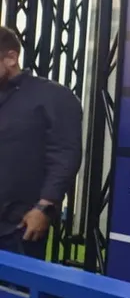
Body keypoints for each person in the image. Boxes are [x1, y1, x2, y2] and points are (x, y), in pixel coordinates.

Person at [0, 26, 83, 260]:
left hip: (19, 226)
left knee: (15, 294)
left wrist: (45, 208)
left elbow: (65, 158)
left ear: (11, 58)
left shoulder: (54, 97)